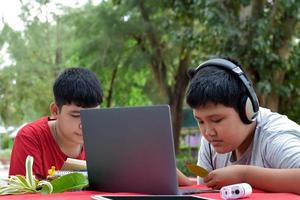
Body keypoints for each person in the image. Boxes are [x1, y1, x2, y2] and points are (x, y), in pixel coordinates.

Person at [185, 58, 300, 194]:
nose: (208, 132)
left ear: (247, 110)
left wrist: (244, 175)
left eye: (216, 120)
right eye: (200, 121)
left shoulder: (274, 137)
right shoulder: (212, 141)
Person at [9, 67, 103, 179]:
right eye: (76, 115)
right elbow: (22, 195)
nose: (84, 125)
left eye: (92, 116)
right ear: (55, 111)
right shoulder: (30, 138)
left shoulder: (105, 139)